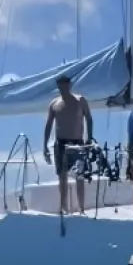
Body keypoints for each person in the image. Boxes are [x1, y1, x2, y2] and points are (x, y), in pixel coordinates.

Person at [42, 74, 93, 215]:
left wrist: (89, 138)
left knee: (79, 175)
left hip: (77, 143)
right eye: (60, 86)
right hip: (61, 143)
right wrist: (45, 145)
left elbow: (89, 118)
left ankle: (81, 208)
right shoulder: (54, 104)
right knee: (62, 176)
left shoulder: (80, 100)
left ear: (70, 85)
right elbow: (48, 125)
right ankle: (63, 207)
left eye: (65, 85)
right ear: (58, 87)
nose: (63, 88)